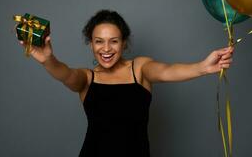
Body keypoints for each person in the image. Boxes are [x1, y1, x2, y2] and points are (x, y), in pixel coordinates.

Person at [18, 10, 234, 157]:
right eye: (99, 41)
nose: (106, 49)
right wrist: (48, 59)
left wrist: (203, 67)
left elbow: (167, 71)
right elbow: (65, 74)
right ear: (91, 44)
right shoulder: (86, 78)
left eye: (114, 41)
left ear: (124, 43)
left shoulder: (139, 68)